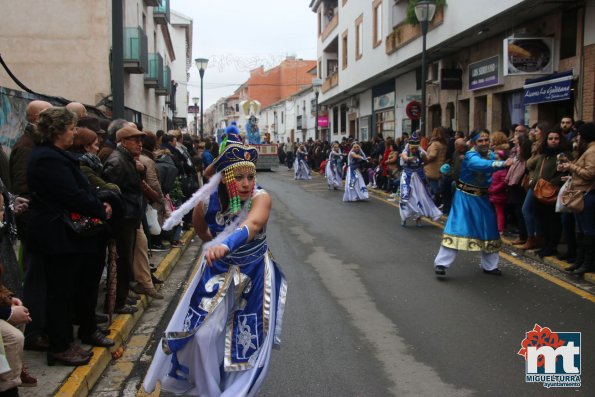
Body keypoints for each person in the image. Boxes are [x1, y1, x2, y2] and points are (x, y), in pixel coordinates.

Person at [142, 131, 287, 397]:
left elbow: (252, 224)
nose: (246, 184)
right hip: (217, 273)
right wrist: (215, 247)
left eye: (251, 177)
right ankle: (208, 390)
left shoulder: (261, 197)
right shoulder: (207, 201)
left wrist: (225, 244)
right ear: (224, 179)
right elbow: (202, 232)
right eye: (238, 177)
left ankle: (236, 392)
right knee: (202, 336)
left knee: (246, 341)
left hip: (253, 274)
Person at [26, 107, 112, 365]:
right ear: (58, 130)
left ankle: (72, 338)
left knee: (70, 289)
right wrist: (99, 207)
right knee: (60, 293)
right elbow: (70, 194)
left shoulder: (55, 155)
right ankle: (60, 345)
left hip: (65, 234)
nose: (74, 133)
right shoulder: (47, 159)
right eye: (72, 128)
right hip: (56, 235)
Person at [434, 129, 513, 277]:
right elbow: (481, 165)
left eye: (486, 140)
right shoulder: (471, 156)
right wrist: (502, 163)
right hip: (465, 197)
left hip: (483, 198)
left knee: (490, 229)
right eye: (480, 141)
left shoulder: (490, 154)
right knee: (457, 228)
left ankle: (490, 266)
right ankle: (442, 264)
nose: (484, 143)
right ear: (474, 143)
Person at [558, 122, 595, 275]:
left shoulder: (592, 151)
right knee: (580, 230)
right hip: (580, 193)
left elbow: (590, 173)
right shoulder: (587, 150)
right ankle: (579, 261)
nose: (577, 137)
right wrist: (570, 168)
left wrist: (570, 166)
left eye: (579, 135)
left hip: (587, 195)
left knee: (588, 231)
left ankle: (588, 263)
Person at [399, 133, 442, 227]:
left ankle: (418, 219)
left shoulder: (421, 153)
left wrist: (423, 161)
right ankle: (404, 218)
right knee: (406, 197)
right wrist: (409, 158)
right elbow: (404, 157)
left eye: (415, 148)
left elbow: (427, 161)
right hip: (407, 176)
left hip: (419, 177)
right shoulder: (405, 152)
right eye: (412, 148)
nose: (414, 150)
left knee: (420, 197)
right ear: (409, 146)